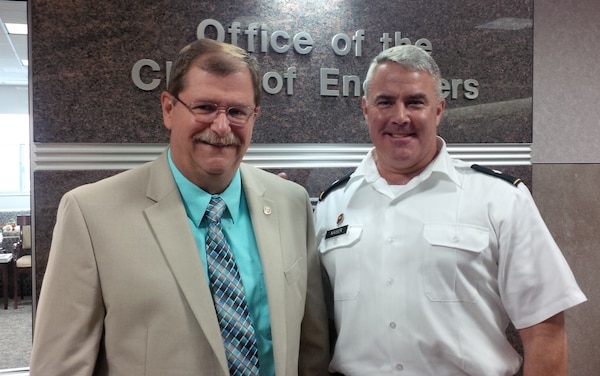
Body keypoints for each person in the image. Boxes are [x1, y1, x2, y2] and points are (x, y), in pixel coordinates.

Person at [30, 38, 330, 376]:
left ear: (254, 116)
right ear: (169, 109)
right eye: (204, 108)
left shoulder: (291, 202)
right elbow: (60, 367)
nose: (220, 127)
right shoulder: (90, 215)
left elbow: (311, 350)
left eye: (236, 111)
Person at [314, 45, 586, 376]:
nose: (400, 117)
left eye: (415, 102)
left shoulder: (499, 198)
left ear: (439, 110)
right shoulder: (331, 207)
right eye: (385, 102)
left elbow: (545, 328)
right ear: (365, 109)